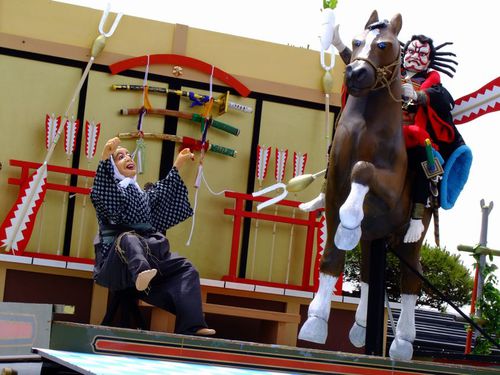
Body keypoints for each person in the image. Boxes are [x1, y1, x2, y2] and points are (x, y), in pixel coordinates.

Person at [300, 27, 468, 244]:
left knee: (424, 159)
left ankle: (417, 216)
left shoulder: (433, 85)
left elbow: (444, 101)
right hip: (379, 131)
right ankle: (325, 194)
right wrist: (340, 45)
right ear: (404, 51)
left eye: (422, 54)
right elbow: (361, 68)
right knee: (341, 142)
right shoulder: (387, 72)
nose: (415, 56)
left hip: (410, 136)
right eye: (412, 51)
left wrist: (419, 95)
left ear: (429, 60)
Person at [90, 136, 215, 336]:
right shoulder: (108, 188)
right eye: (120, 157)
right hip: (117, 262)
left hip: (146, 256)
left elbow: (161, 190)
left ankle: (192, 325)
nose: (128, 158)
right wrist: (105, 157)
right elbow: (103, 190)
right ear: (112, 168)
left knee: (186, 268)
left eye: (129, 155)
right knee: (128, 238)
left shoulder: (140, 193)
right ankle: (140, 273)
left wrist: (178, 164)